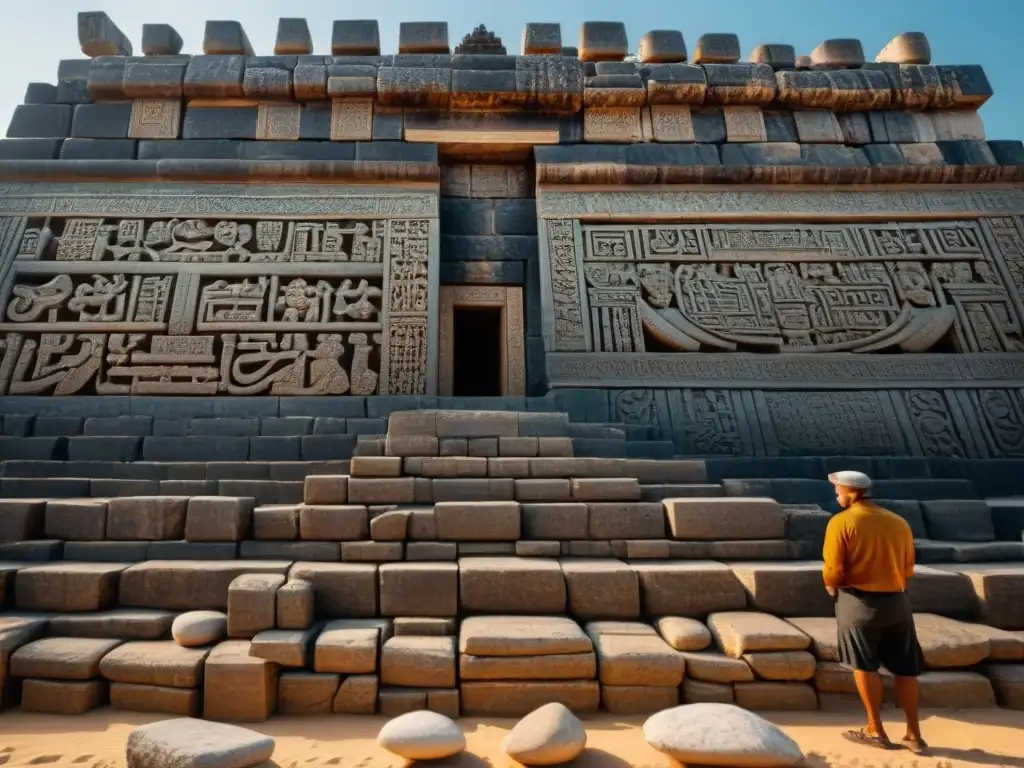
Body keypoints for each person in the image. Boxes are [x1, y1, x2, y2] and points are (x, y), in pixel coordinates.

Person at [822, 470, 927, 754]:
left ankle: (875, 728)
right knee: (906, 669)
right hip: (897, 603)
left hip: (859, 603)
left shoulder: (841, 522)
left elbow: (835, 570)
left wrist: (831, 587)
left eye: (838, 491)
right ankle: (914, 734)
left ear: (849, 492)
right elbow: (908, 568)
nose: (836, 495)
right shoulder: (898, 522)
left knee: (864, 664)